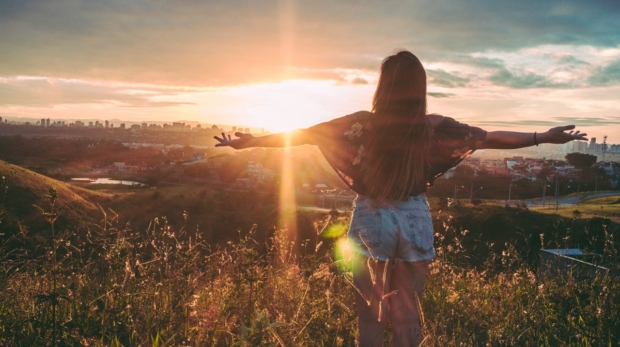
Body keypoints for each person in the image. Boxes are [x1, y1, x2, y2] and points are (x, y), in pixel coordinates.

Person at [214, 50, 587, 347]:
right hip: (414, 218)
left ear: (383, 86)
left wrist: (250, 142)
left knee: (371, 314)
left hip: (371, 218)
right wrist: (543, 136)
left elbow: (303, 134)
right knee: (408, 312)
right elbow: (489, 136)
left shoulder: (361, 123)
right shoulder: (434, 126)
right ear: (419, 88)